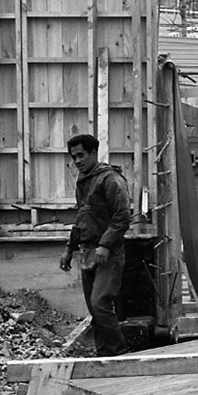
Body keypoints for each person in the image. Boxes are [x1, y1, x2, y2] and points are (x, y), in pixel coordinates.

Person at [59, 134, 131, 356]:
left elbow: (123, 216)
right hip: (87, 251)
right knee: (94, 309)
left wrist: (106, 245)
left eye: (81, 155)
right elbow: (82, 218)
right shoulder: (85, 181)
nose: (77, 161)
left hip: (107, 254)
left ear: (93, 153)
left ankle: (120, 353)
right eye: (74, 157)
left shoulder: (110, 180)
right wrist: (69, 249)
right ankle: (104, 354)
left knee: (100, 303)